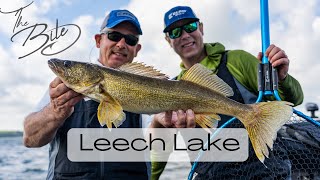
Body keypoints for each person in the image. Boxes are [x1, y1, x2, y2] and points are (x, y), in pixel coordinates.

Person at [149, 6, 304, 179]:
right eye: (175, 32)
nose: (185, 35)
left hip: (263, 172)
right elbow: (159, 153)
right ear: (168, 40)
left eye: (190, 27)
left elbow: (294, 99)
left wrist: (282, 80)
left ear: (201, 28)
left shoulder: (237, 60)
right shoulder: (170, 88)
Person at [23, 9, 149, 180]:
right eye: (113, 36)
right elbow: (30, 139)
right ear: (98, 40)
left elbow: (158, 142)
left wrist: (166, 124)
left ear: (137, 48)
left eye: (131, 39)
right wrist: (54, 112)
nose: (121, 44)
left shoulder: (148, 86)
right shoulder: (61, 88)